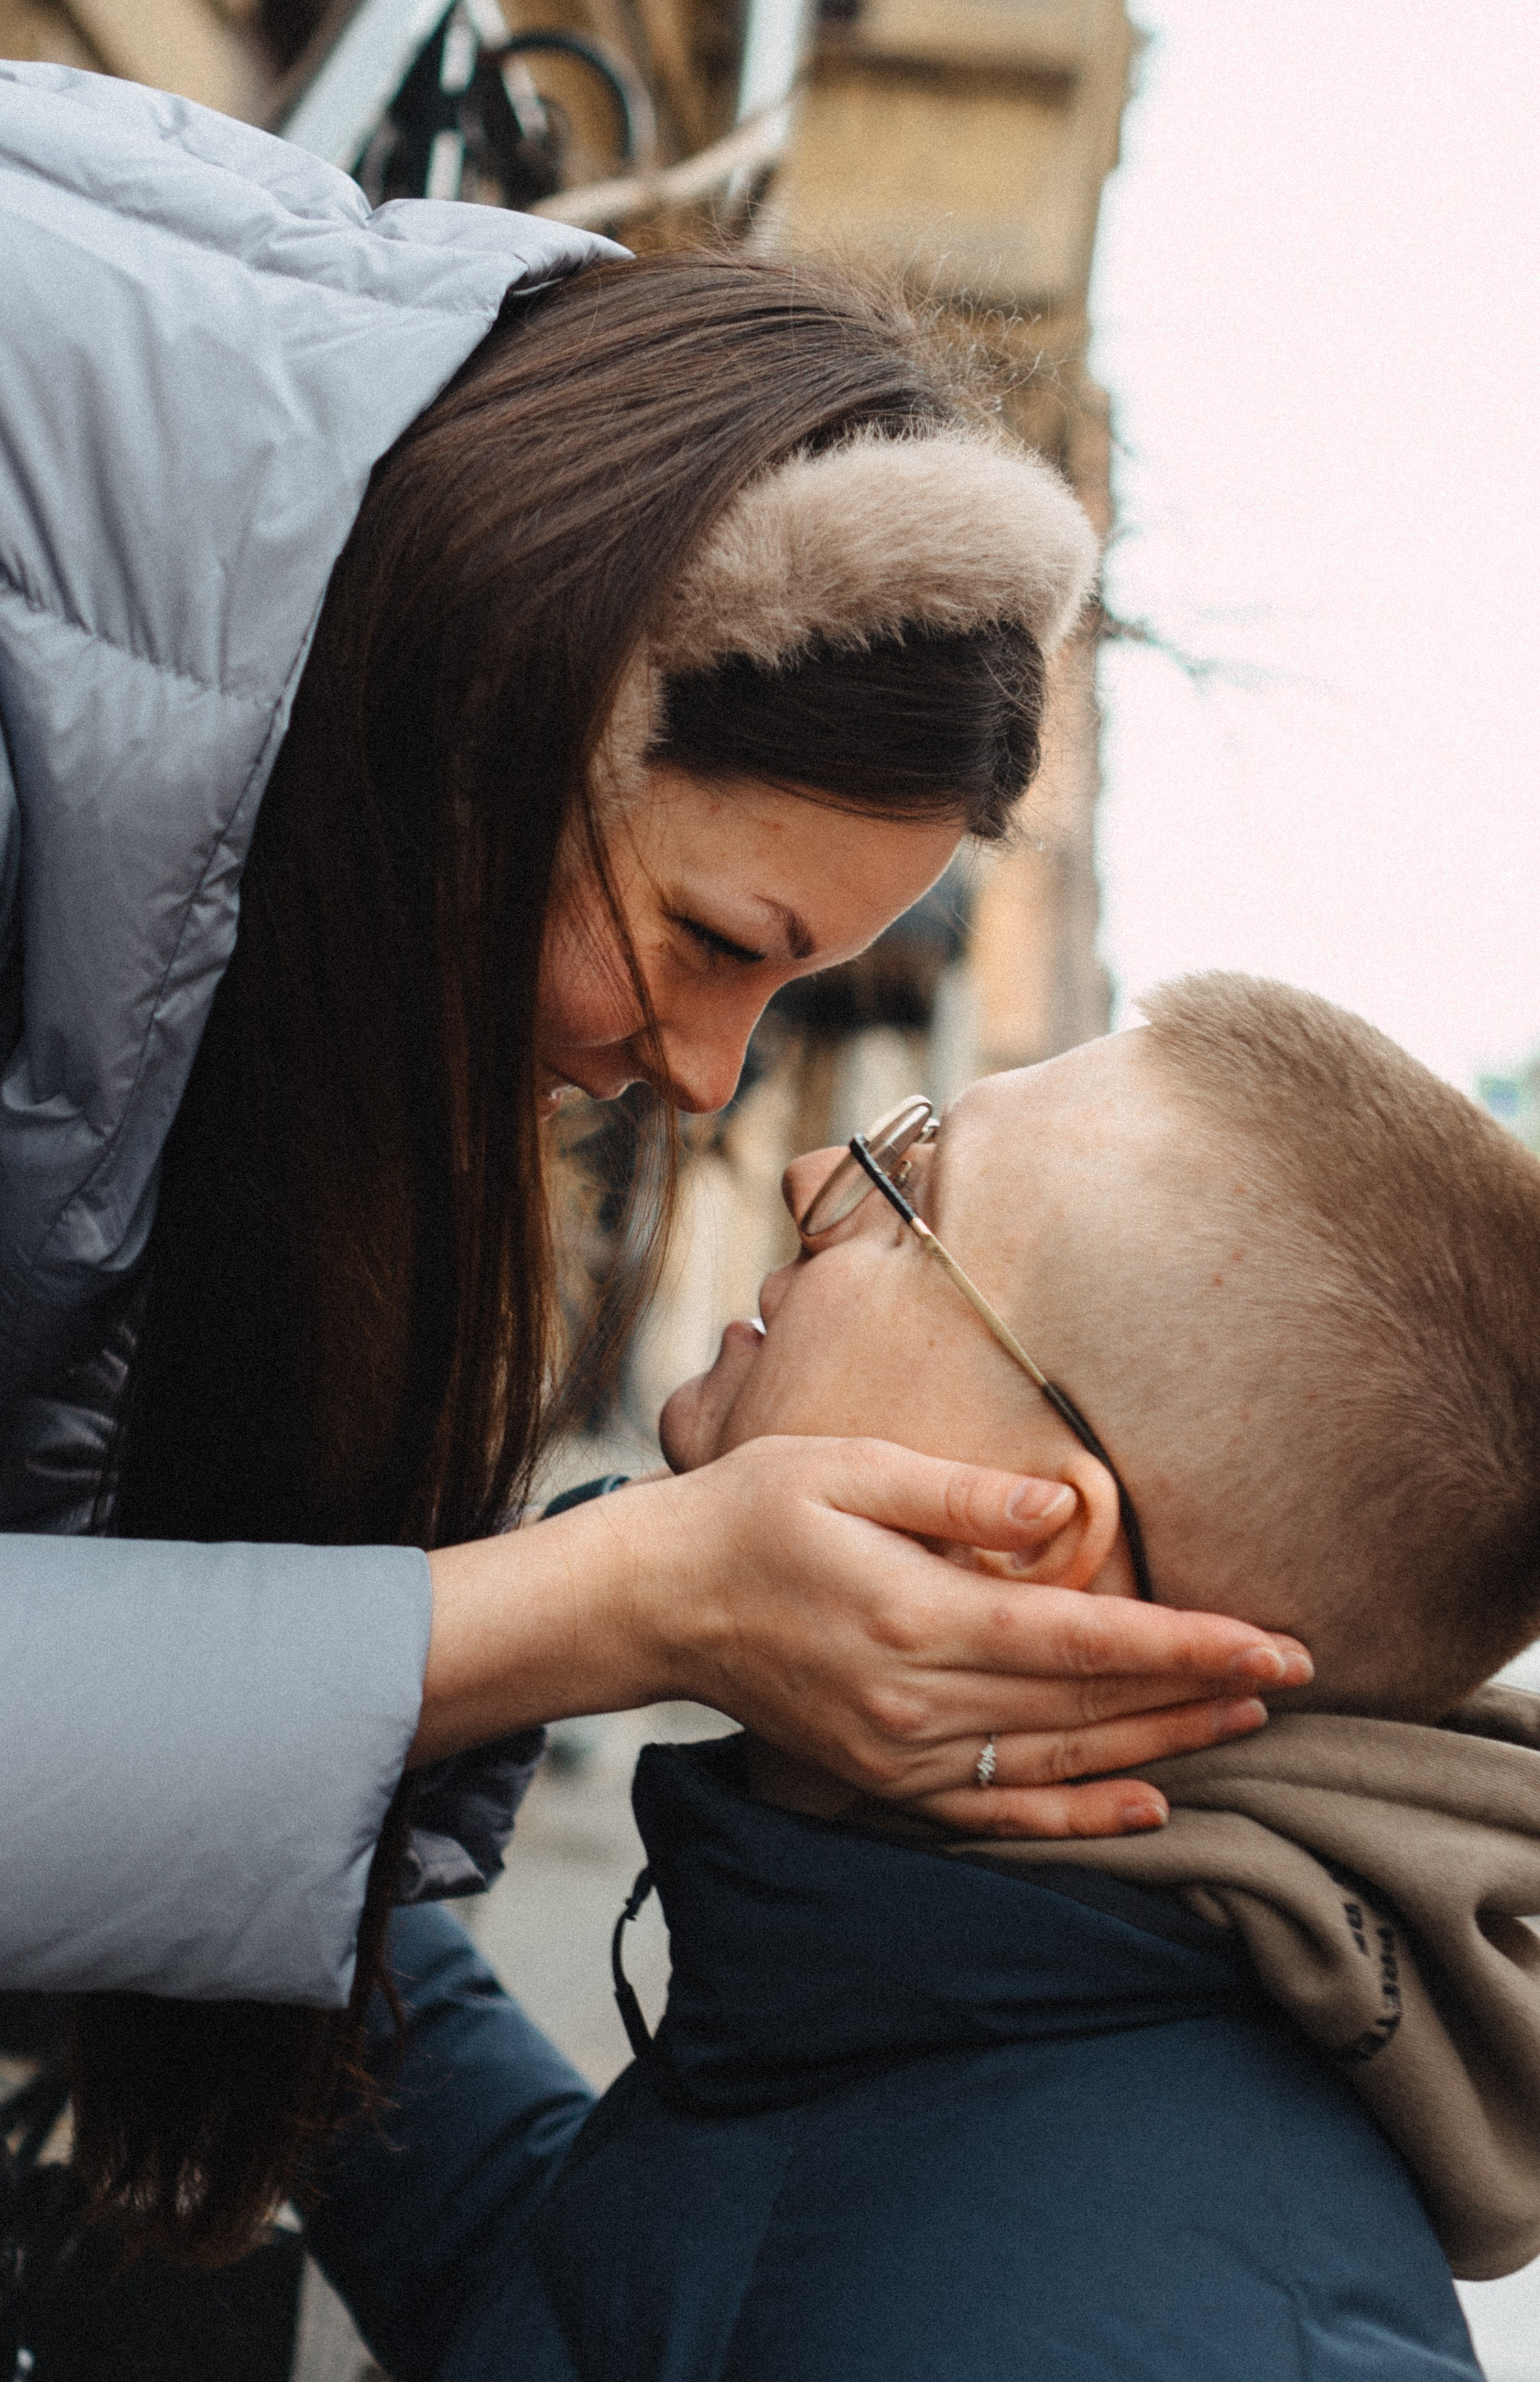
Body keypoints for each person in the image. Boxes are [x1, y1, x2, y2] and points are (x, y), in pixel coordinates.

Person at [0, 42, 1308, 2265]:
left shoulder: (245, 828)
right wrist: (608, 1601)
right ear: (526, 691)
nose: (722, 1085)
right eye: (719, 943)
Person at [314, 976, 1540, 2381]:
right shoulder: (969, 2005)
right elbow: (592, 2297)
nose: (804, 1170)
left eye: (909, 1194)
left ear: (1020, 1531)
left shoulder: (1140, 2331)